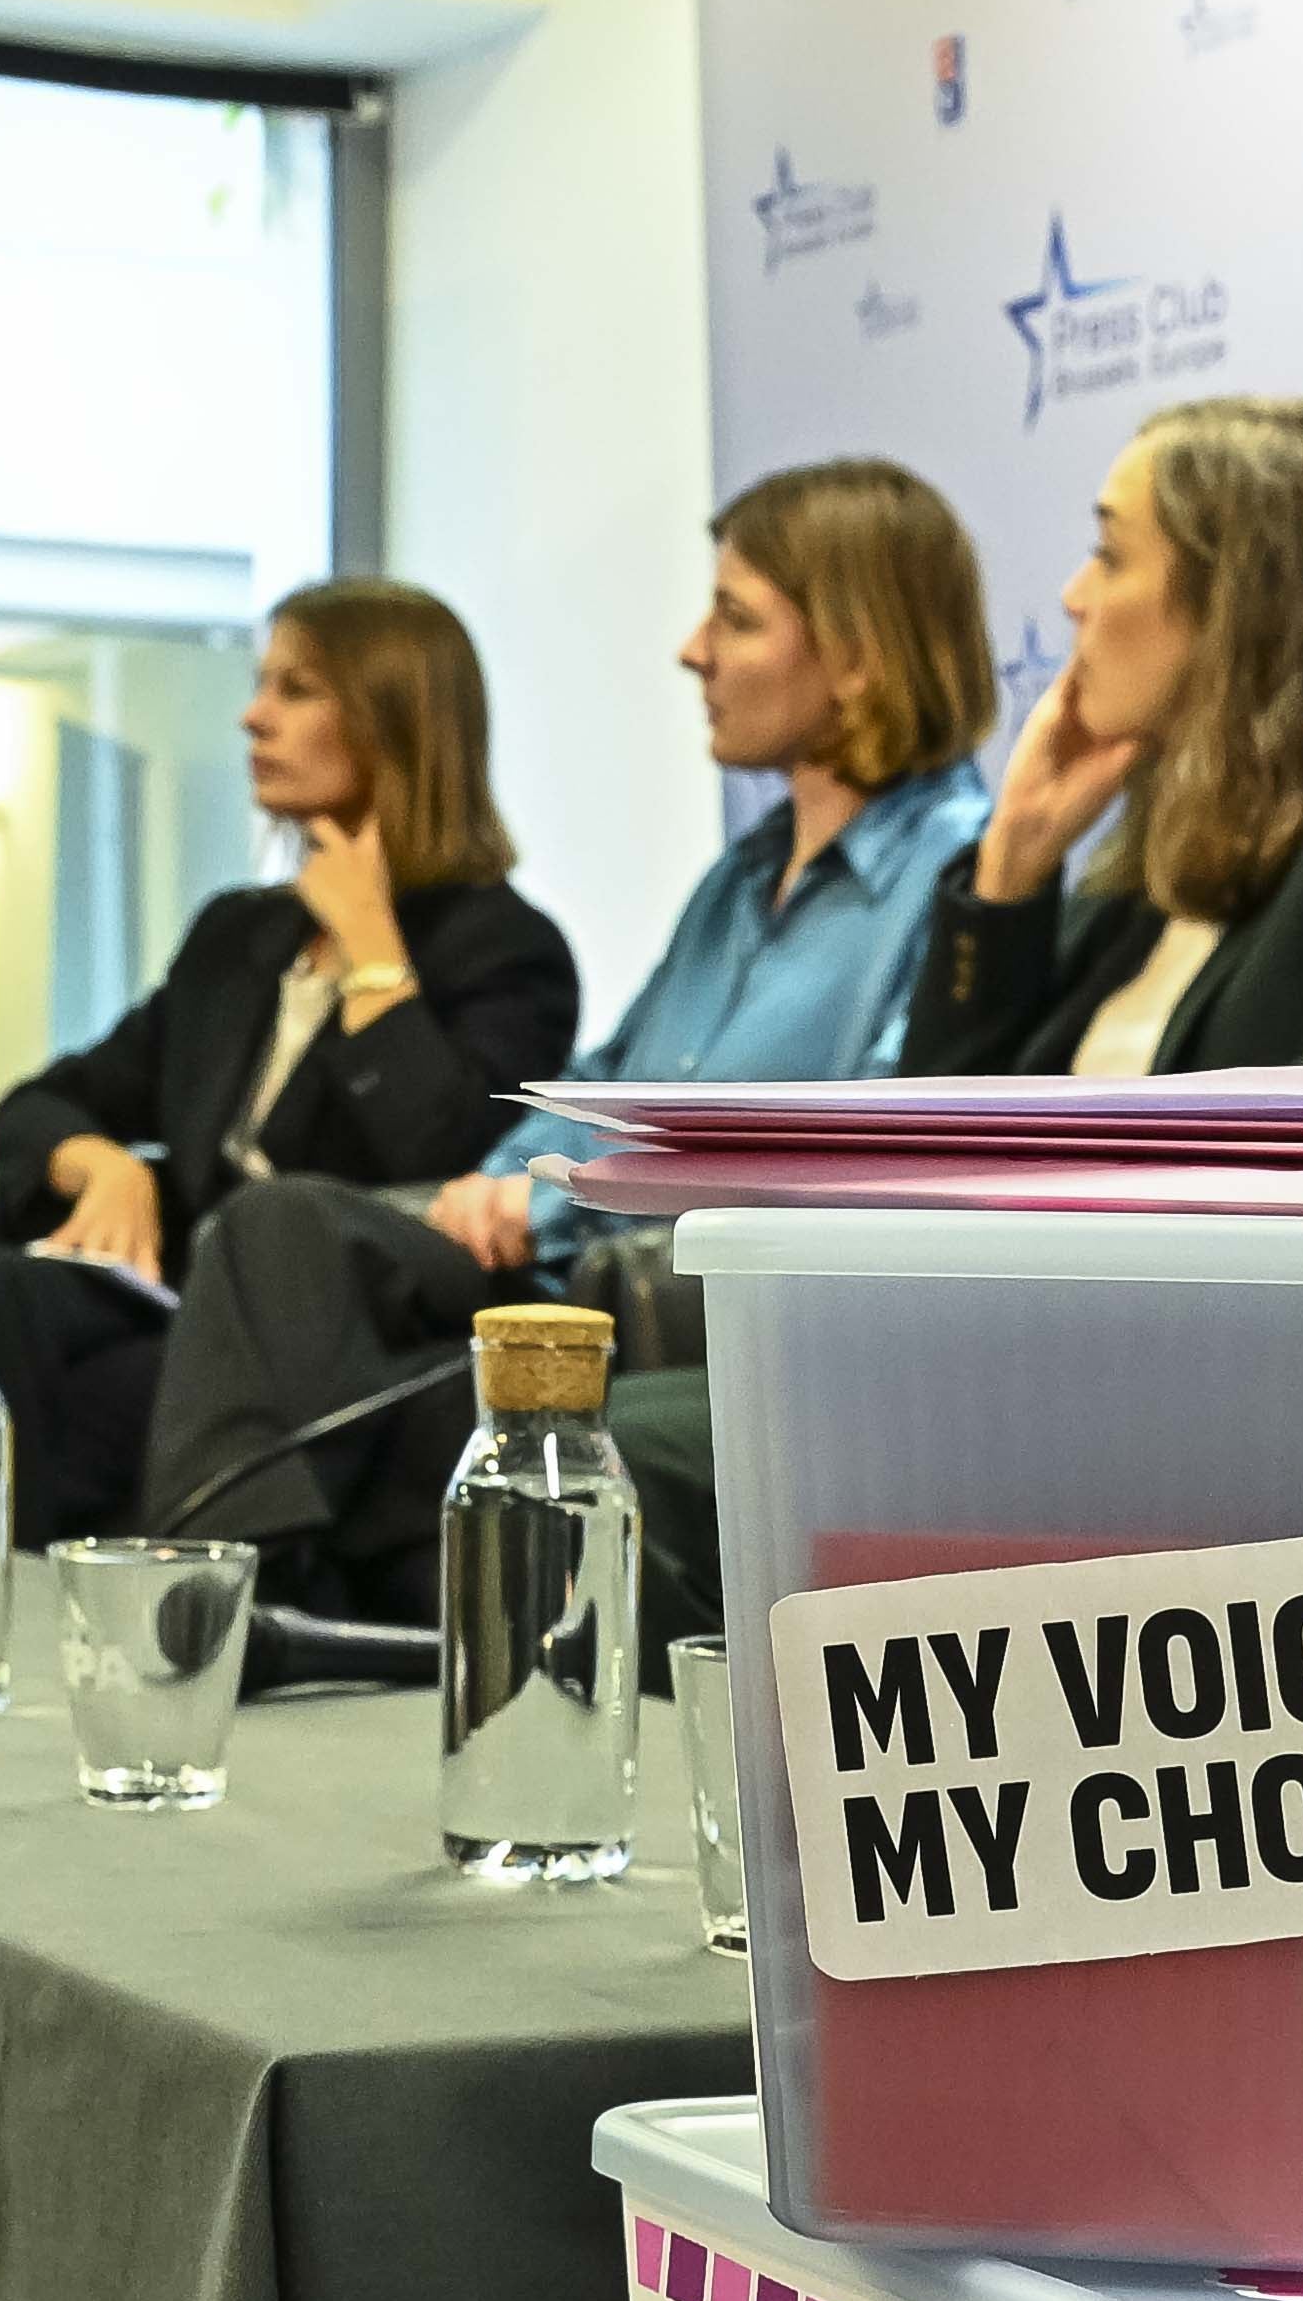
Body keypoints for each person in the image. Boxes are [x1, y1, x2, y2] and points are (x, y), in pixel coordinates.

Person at [133, 467, 998, 1601]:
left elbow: (855, 1145)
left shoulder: (964, 877)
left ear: (859, 654)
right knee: (276, 1230)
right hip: (548, 1258)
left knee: (329, 1371)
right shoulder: (737, 880)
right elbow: (603, 1078)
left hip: (669, 1294)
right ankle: (243, 1602)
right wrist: (498, 1178)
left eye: (736, 619)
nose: (694, 650)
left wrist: (538, 1195)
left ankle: (223, 1619)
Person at [0, 579, 581, 1546]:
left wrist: (374, 954)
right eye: (263, 685)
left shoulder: (505, 951)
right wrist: (97, 1161)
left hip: (348, 1327)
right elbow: (43, 1101)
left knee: (130, 1385)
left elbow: (437, 1146)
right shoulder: (241, 936)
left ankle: (210, 1616)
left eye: (295, 690)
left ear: (395, 718)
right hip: (191, 1299)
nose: (252, 716)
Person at [905, 397, 1303, 1076]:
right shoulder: (1161, 852)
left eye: (1110, 556)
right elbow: (932, 1141)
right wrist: (1012, 864)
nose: (1073, 596)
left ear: (1238, 596)